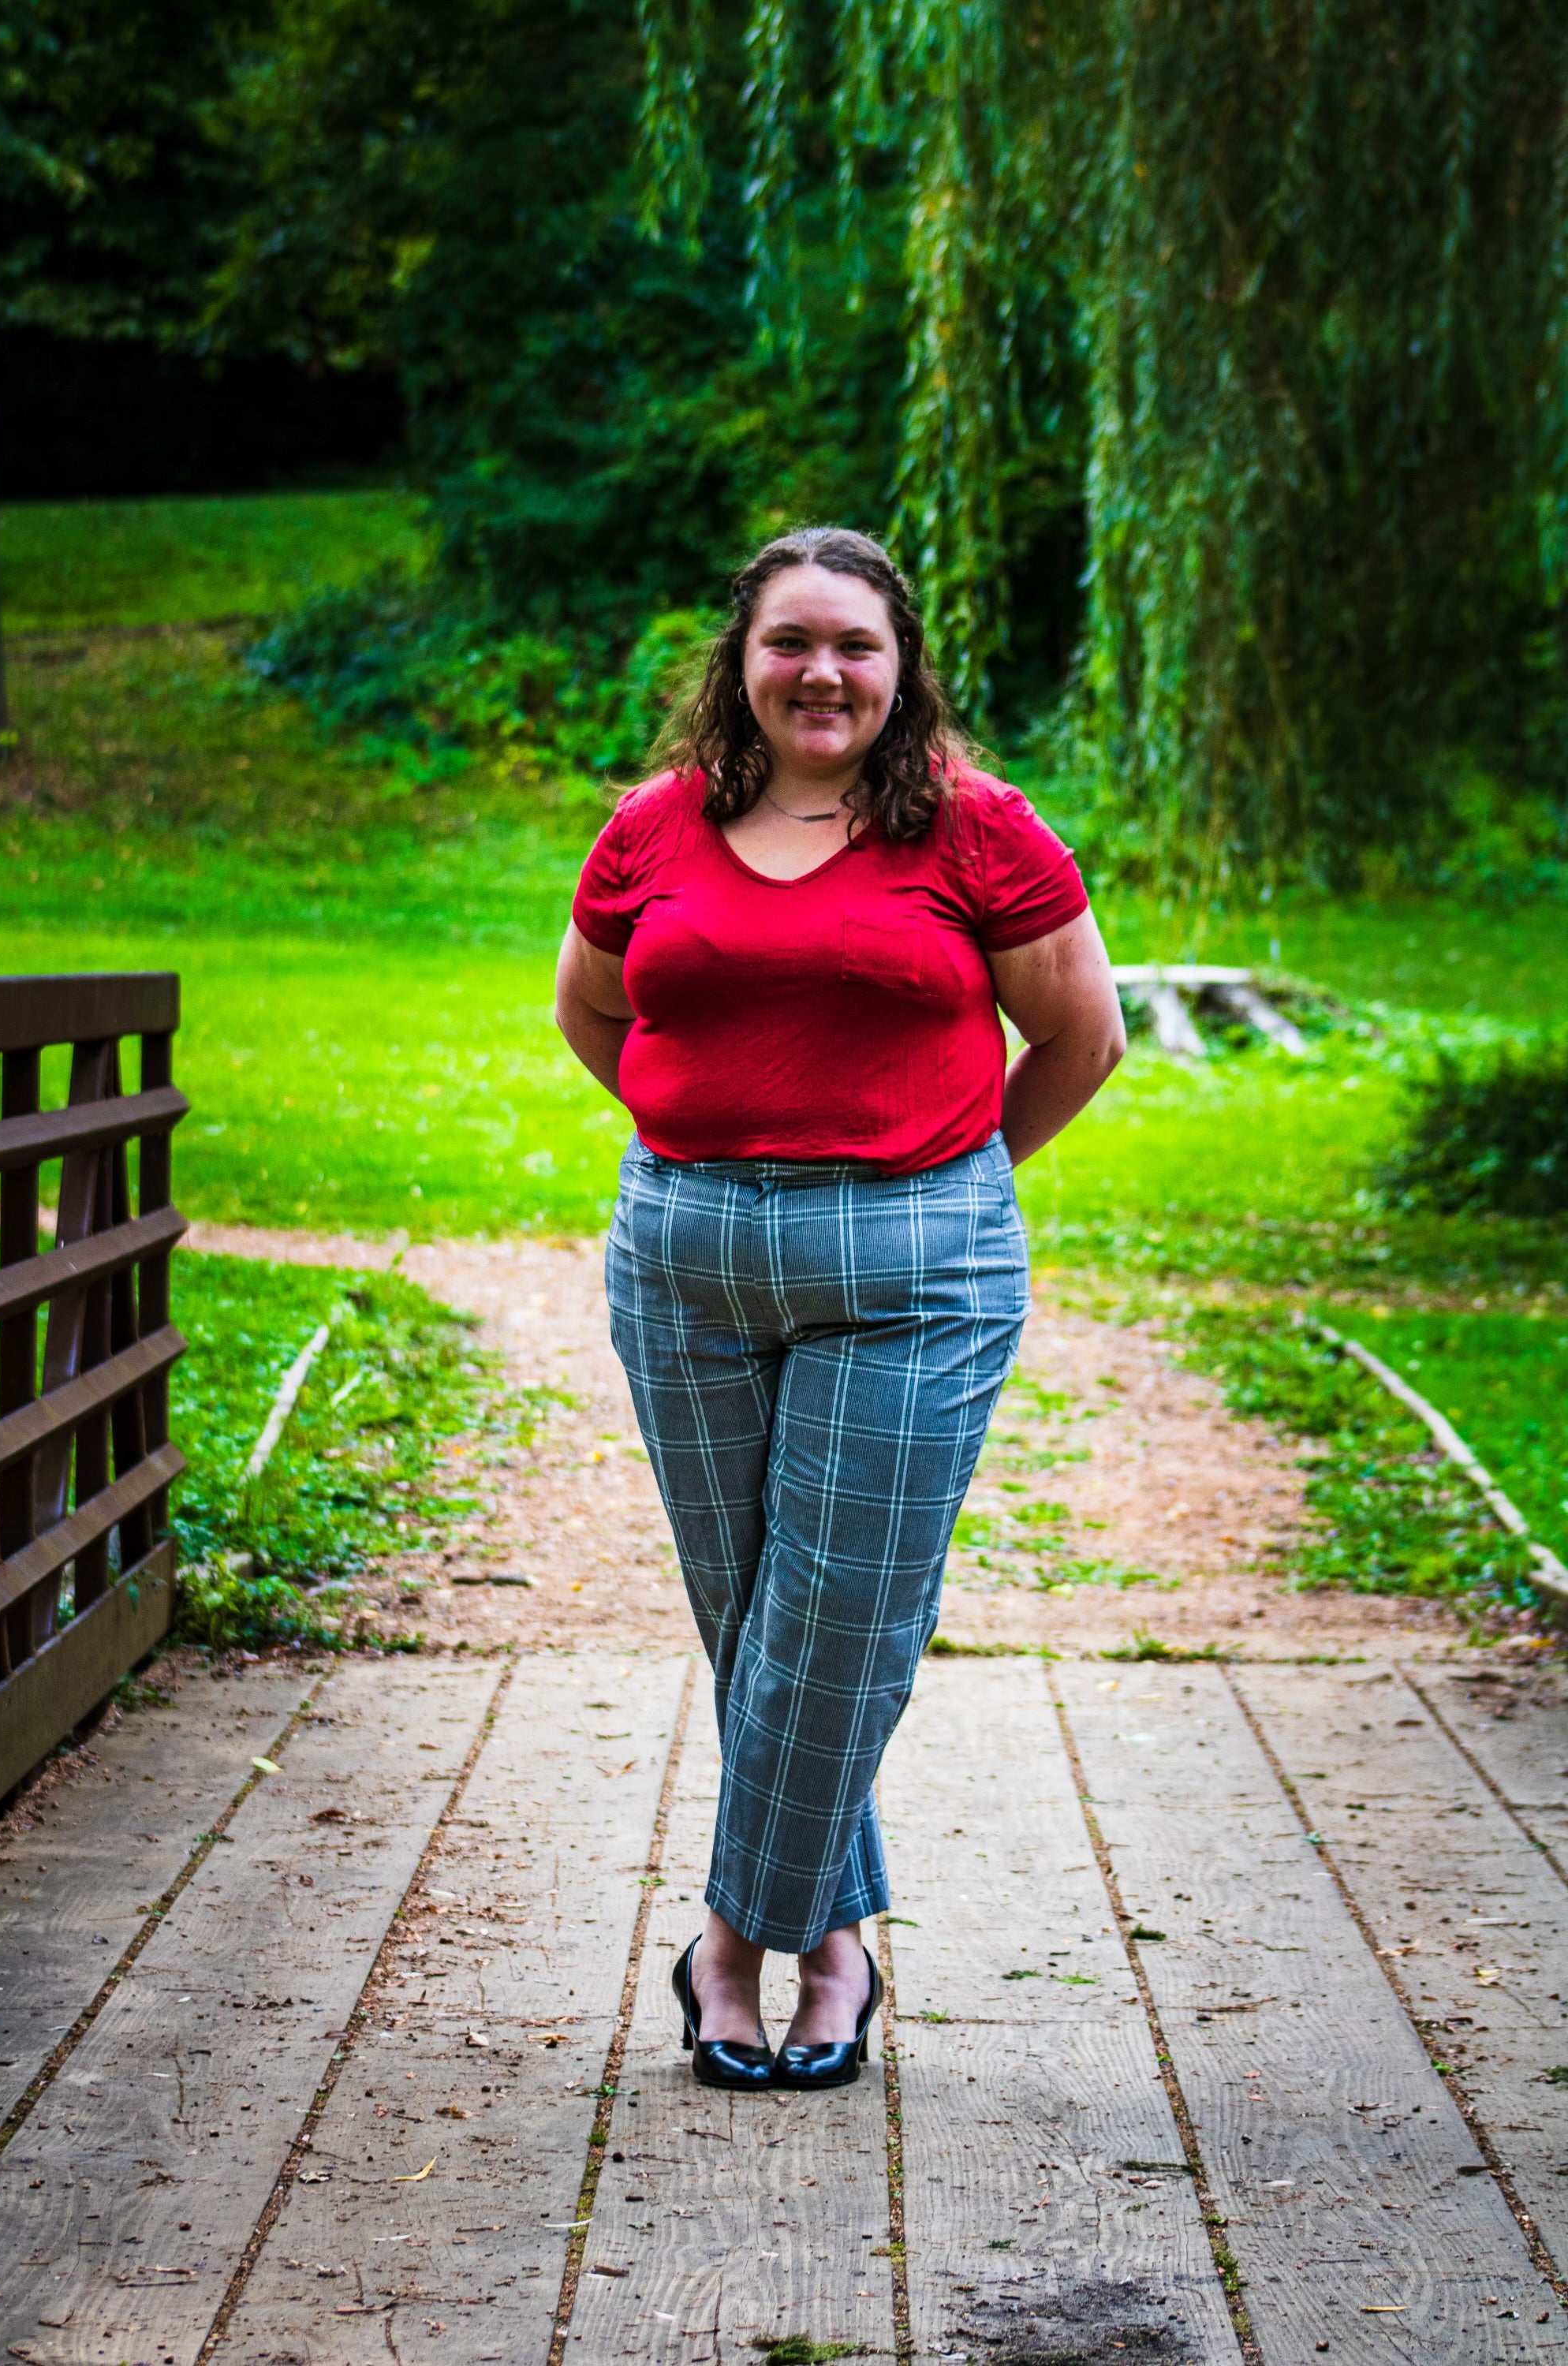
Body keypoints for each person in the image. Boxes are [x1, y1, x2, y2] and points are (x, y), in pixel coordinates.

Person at [555, 526, 1125, 2091]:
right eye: (790, 640)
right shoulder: (655, 827)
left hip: (914, 1277)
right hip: (683, 1263)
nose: (822, 671)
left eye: (854, 646)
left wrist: (936, 1183)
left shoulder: (974, 827)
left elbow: (1082, 1037)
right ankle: (842, 1941)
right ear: (741, 658)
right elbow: (591, 1008)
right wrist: (709, 1146)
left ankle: (732, 1944)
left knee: (840, 1623)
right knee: (755, 1624)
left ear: (900, 665)